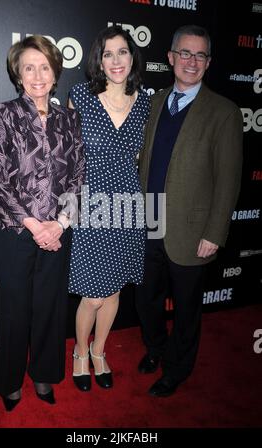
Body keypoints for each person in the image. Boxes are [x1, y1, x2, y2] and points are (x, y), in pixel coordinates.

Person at [135, 25, 243, 397]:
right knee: (146, 298)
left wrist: (215, 232)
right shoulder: (151, 102)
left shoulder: (224, 112)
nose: (191, 61)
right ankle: (155, 349)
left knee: (186, 309)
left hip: (192, 230)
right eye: (185, 53)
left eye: (199, 55)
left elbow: (228, 179)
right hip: (147, 221)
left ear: (208, 62)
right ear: (170, 58)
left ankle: (177, 369)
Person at [0, 35, 85, 411]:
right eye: (29, 67)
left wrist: (59, 223)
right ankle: (9, 382)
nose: (37, 75)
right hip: (14, 231)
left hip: (59, 231)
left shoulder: (69, 118)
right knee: (13, 308)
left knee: (50, 306)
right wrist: (34, 225)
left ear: (55, 72)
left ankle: (44, 374)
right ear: (18, 74)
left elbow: (77, 175)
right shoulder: (0, 115)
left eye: (45, 66)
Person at [68, 25, 150, 392]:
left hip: (127, 203)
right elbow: (67, 158)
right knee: (92, 291)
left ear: (132, 58)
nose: (116, 60)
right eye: (108, 53)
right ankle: (80, 353)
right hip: (90, 201)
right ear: (98, 60)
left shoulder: (146, 101)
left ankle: (100, 351)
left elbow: (140, 156)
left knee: (114, 290)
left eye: (122, 52)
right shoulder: (80, 96)